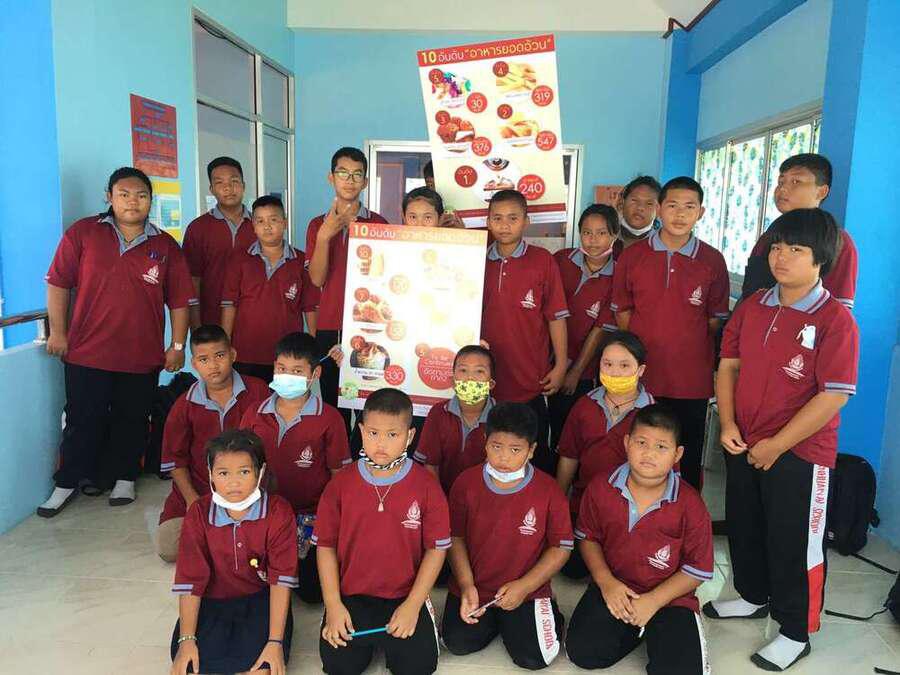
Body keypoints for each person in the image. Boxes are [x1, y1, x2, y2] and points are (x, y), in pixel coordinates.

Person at [704, 208, 858, 672]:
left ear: (821, 259)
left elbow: (834, 396)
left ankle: (795, 631)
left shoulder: (834, 320)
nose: (781, 257)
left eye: (795, 249)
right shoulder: (754, 305)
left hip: (801, 453)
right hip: (744, 441)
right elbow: (729, 366)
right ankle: (753, 595)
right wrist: (728, 425)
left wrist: (777, 444)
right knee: (746, 525)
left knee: (794, 542)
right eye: (776, 247)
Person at [39, 167, 195, 515]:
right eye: (124, 194)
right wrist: (59, 332)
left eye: (141, 195)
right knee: (81, 419)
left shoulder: (164, 245)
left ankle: (125, 477)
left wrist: (178, 346)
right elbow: (58, 283)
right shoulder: (84, 233)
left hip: (141, 355)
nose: (132, 202)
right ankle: (66, 482)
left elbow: (180, 301)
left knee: (133, 419)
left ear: (150, 201)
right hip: (86, 352)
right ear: (109, 197)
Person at [565, 404, 713, 673]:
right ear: (626, 443)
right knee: (583, 653)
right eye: (641, 442)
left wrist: (653, 601)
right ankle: (638, 628)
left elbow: (698, 569)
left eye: (661, 447)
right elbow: (588, 538)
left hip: (669, 597)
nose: (649, 453)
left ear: (677, 454)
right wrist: (606, 582)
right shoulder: (601, 487)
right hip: (616, 586)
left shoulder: (691, 504)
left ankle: (654, 624)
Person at [314, 388, 450, 675]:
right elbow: (325, 546)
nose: (381, 443)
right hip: (351, 595)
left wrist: (413, 605)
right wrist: (333, 604)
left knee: (418, 667)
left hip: (404, 594)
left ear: (410, 436)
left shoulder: (427, 485)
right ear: (361, 430)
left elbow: (436, 549)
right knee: (339, 666)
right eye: (373, 433)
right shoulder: (341, 484)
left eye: (392, 434)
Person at [611, 176, 729, 491]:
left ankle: (683, 514)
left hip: (690, 381)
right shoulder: (633, 256)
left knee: (685, 456)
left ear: (700, 213)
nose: (680, 214)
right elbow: (623, 311)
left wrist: (683, 340)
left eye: (689, 207)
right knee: (638, 451)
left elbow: (714, 320)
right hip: (643, 377)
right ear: (660, 209)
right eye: (673, 205)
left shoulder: (712, 260)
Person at [442, 402, 572, 669]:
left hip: (527, 589)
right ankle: (499, 621)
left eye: (515, 450)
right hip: (475, 587)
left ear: (531, 450)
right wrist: (466, 584)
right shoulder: (465, 483)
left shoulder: (548, 490)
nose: (503, 458)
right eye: (496, 446)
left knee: (535, 658)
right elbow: (455, 538)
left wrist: (525, 586)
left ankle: (546, 613)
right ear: (485, 442)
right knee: (457, 643)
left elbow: (561, 547)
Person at [169, 429, 297, 675]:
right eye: (223, 473)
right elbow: (190, 580)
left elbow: (280, 580)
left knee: (262, 668)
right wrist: (186, 640)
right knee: (191, 666)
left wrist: (275, 642)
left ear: (260, 472)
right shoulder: (199, 513)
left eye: (244, 472)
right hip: (212, 602)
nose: (234, 482)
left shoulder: (278, 511)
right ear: (210, 474)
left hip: (260, 600)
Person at [240, 332, 350, 605]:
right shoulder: (254, 413)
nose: (287, 376)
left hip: (309, 517)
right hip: (263, 514)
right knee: (251, 582)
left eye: (297, 371)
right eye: (281, 369)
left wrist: (327, 521)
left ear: (315, 374)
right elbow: (239, 466)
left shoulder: (330, 419)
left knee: (312, 594)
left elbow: (339, 479)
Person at [157, 324, 270, 562]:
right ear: (194, 363)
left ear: (233, 355)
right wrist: (192, 501)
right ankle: (221, 538)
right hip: (199, 494)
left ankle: (223, 539)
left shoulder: (259, 392)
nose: (213, 365)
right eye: (204, 359)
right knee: (169, 547)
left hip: (248, 492)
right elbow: (175, 461)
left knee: (266, 538)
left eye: (219, 355)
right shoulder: (184, 405)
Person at [481, 189, 569, 475]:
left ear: (526, 221)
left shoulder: (543, 260)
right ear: (488, 221)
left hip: (530, 380)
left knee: (533, 456)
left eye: (513, 218)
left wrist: (560, 365)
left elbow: (556, 317)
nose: (504, 225)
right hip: (484, 381)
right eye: (497, 218)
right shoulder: (476, 258)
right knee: (490, 453)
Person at [555, 331, 655, 579]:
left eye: (624, 365)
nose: (615, 372)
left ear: (640, 370)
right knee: (573, 570)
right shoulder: (584, 406)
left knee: (627, 569)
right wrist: (558, 503)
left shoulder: (653, 415)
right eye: (607, 364)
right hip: (585, 506)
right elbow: (569, 457)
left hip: (629, 511)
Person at [306, 147, 389, 426]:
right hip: (330, 326)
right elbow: (317, 279)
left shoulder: (378, 223)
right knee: (334, 409)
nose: (350, 180)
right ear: (331, 178)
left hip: (370, 326)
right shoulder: (317, 225)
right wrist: (324, 237)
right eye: (343, 173)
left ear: (365, 181)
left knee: (370, 407)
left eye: (357, 174)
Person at [221, 195, 318, 384]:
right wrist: (225, 345)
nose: (267, 226)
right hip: (245, 353)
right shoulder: (239, 260)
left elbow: (310, 308)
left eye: (273, 220)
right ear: (253, 226)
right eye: (260, 221)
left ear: (284, 223)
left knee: (286, 401)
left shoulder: (301, 262)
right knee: (249, 400)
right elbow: (229, 305)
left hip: (288, 358)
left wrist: (313, 347)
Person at [740, 153, 858, 309]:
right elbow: (749, 292)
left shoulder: (837, 241)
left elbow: (838, 311)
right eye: (781, 182)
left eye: (796, 181)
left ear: (821, 192)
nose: (782, 188)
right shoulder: (769, 236)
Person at [549, 204, 620, 451]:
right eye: (587, 233)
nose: (593, 240)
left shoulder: (618, 276)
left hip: (583, 368)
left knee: (571, 431)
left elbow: (601, 329)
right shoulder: (560, 260)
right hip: (547, 358)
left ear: (614, 235)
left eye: (601, 233)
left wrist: (575, 372)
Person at [182, 157, 255, 328]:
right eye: (220, 183)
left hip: (253, 320)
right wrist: (196, 327)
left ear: (243, 185)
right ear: (212, 189)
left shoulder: (259, 226)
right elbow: (192, 281)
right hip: (211, 322)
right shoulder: (198, 228)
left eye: (234, 181)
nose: (228, 188)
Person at [416, 345, 496, 495]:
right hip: (442, 496)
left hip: (484, 499)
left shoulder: (501, 418)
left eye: (479, 371)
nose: (470, 378)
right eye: (463, 370)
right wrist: (439, 501)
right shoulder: (439, 413)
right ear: (453, 381)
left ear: (490, 384)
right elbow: (431, 465)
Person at [615, 176, 661, 249]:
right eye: (634, 200)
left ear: (658, 211)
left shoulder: (663, 244)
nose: (640, 207)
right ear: (622, 203)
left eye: (649, 204)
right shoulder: (606, 236)